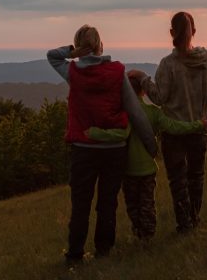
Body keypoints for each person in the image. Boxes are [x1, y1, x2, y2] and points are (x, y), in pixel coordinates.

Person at [47, 25, 157, 263]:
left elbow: (51, 56)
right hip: (113, 152)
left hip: (83, 150)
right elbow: (135, 111)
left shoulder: (73, 72)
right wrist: (151, 144)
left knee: (81, 204)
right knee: (107, 203)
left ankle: (75, 254)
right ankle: (104, 251)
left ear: (79, 47)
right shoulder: (117, 72)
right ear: (100, 45)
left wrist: (73, 52)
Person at [86, 70, 207, 241]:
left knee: (132, 207)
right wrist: (197, 125)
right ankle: (147, 238)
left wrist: (92, 133)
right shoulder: (154, 112)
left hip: (127, 170)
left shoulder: (121, 114)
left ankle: (140, 235)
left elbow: (116, 134)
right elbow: (174, 127)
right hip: (147, 169)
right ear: (144, 91)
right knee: (147, 205)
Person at [134, 12, 207, 233]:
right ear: (195, 32)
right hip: (199, 130)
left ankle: (185, 224)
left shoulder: (168, 65)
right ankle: (194, 218)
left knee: (178, 181)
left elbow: (159, 97)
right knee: (196, 178)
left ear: (172, 32)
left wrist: (143, 78)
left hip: (174, 134)